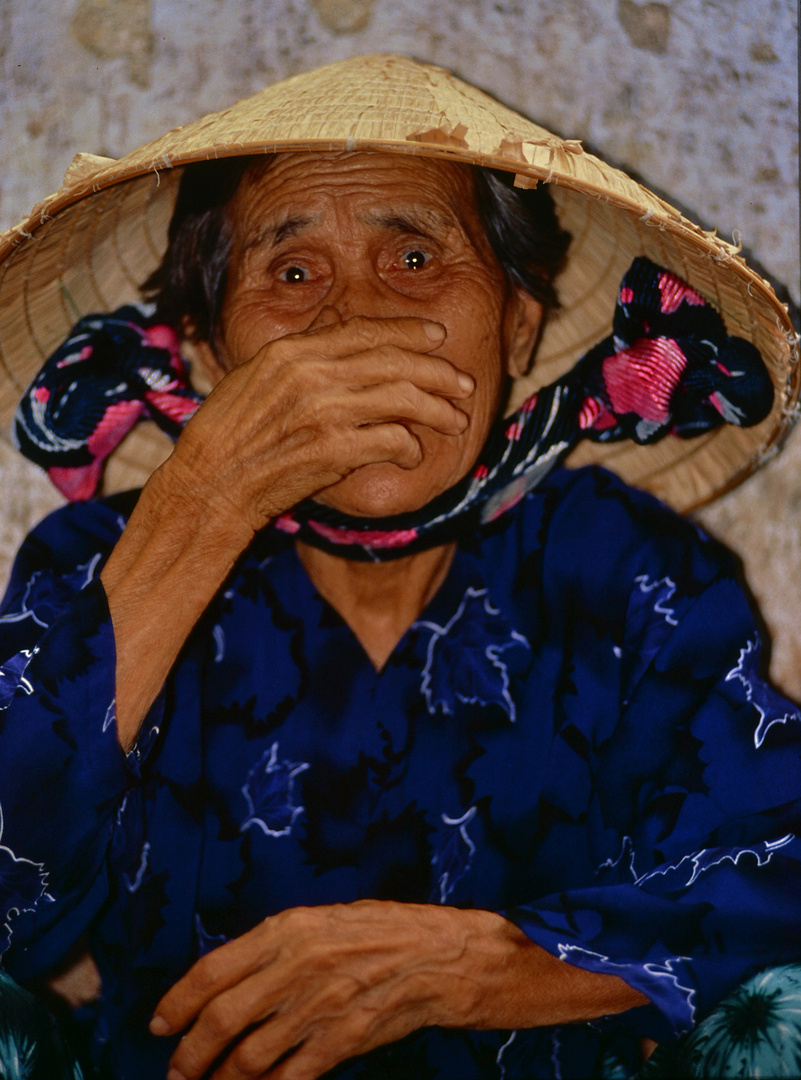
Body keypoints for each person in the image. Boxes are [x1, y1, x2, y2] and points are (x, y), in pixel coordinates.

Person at [0, 54, 799, 1080]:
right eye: (291, 274)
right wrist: (199, 506)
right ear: (206, 353)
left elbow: (778, 857)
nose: (353, 319)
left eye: (416, 259)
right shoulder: (104, 562)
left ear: (517, 325)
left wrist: (477, 966)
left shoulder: (621, 571)